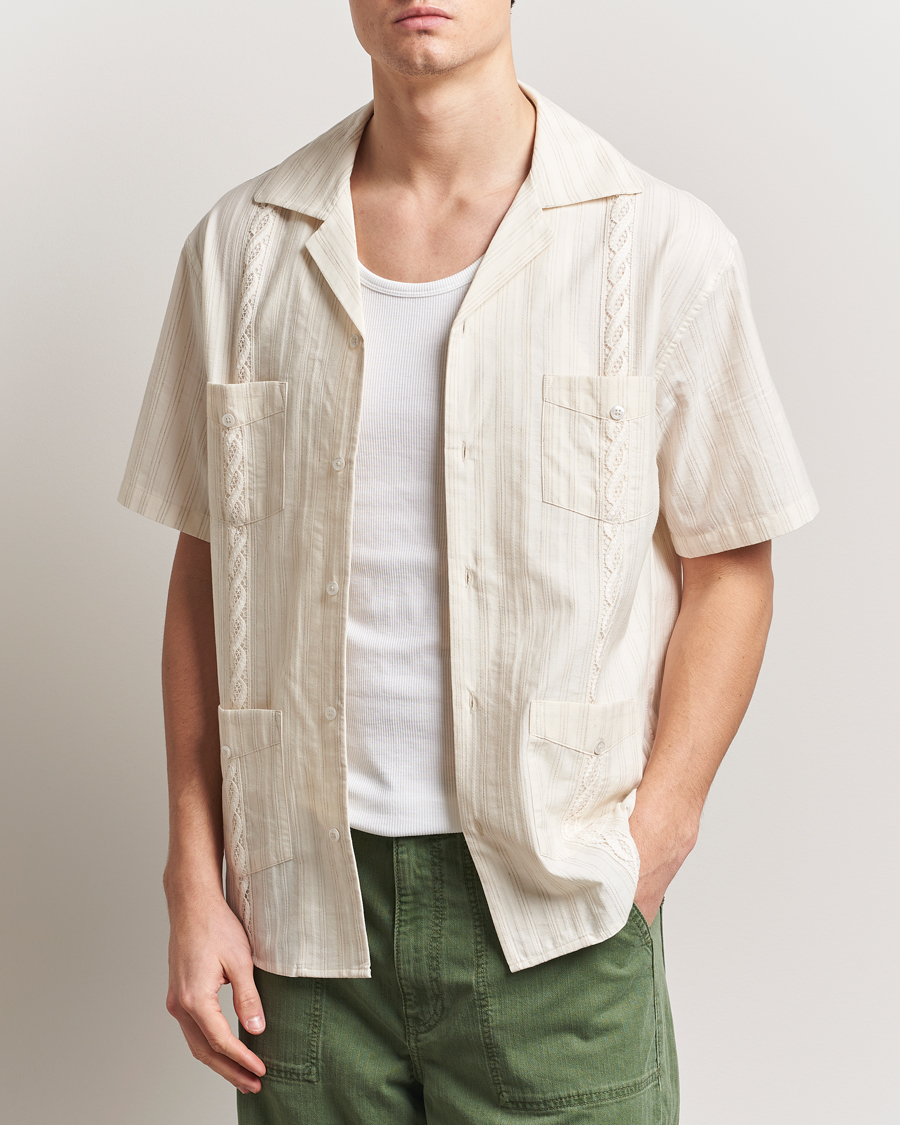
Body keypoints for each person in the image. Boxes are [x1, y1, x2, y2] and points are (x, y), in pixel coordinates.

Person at [117, 1, 818, 1121]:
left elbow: (731, 563)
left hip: (554, 912)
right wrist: (192, 877)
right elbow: (208, 576)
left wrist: (656, 837)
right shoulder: (240, 248)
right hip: (302, 918)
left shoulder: (658, 245)